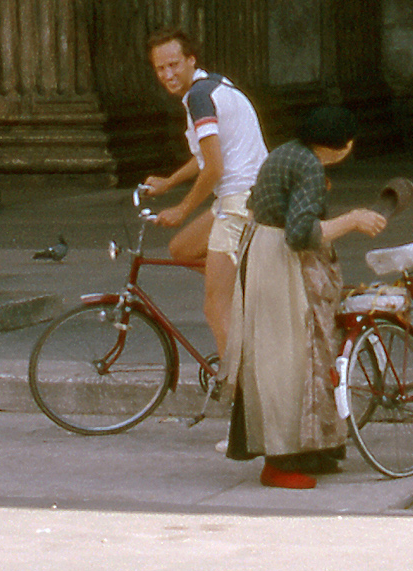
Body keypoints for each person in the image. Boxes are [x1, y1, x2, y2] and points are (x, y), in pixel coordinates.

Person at [224, 107, 387, 490]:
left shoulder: (287, 152)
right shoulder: (311, 166)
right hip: (281, 261)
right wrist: (353, 219)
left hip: (261, 251)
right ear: (342, 146)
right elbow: (300, 232)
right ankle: (279, 462)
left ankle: (312, 451)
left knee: (283, 359)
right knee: (288, 364)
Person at [143, 30, 267, 357]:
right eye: (160, 69)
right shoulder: (212, 85)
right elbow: (204, 157)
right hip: (245, 194)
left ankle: (237, 390)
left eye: (174, 65)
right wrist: (168, 183)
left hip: (241, 199)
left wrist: (181, 209)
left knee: (215, 306)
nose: (168, 75)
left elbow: (214, 168)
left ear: (190, 60)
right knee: (181, 248)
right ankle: (247, 282)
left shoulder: (199, 98)